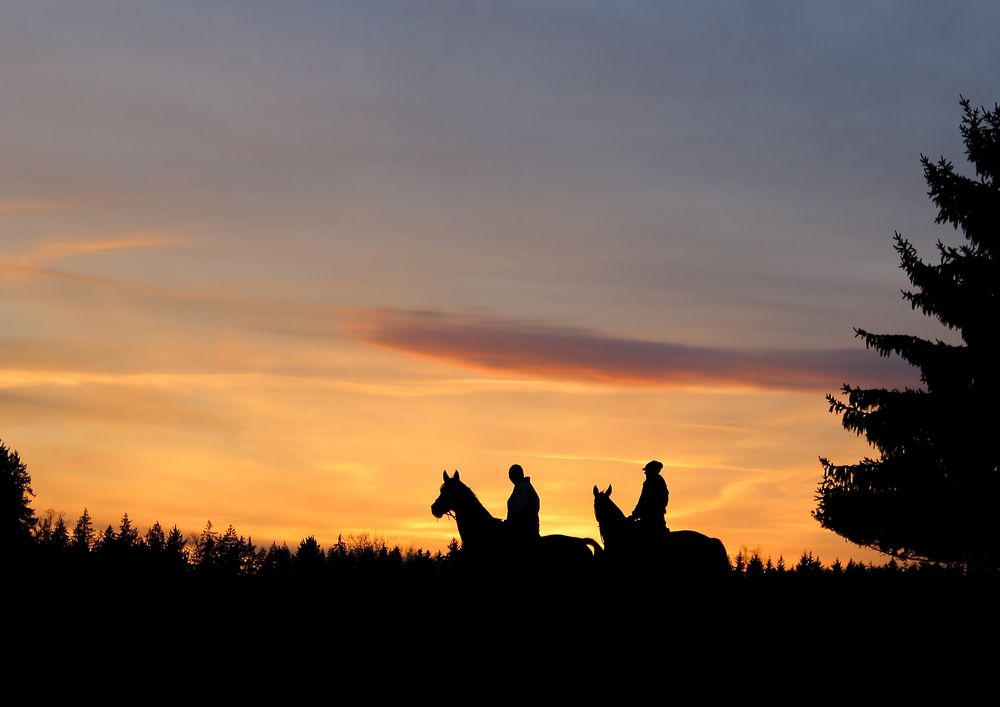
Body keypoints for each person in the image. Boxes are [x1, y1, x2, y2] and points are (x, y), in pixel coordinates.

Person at [629, 460, 669, 537]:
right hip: (650, 515)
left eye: (647, 470)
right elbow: (643, 500)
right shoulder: (652, 481)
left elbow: (643, 500)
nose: (645, 473)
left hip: (652, 517)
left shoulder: (653, 482)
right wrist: (636, 513)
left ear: (652, 471)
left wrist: (635, 514)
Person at [505, 463, 540, 544]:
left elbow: (520, 509)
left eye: (512, 475)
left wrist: (509, 522)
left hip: (523, 530)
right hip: (528, 527)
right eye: (510, 475)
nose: (510, 477)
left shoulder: (522, 488)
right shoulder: (523, 486)